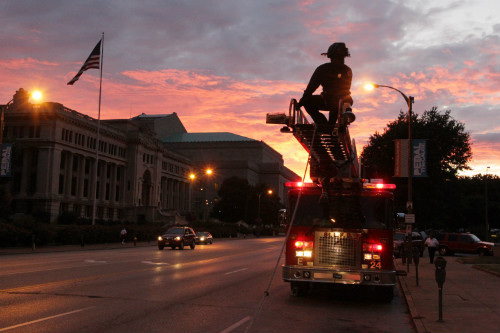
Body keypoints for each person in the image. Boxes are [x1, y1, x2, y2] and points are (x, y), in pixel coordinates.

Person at [298, 42, 353, 126]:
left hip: (343, 100)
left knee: (339, 103)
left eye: (341, 58)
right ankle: (322, 123)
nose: (339, 60)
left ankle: (330, 126)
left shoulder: (346, 70)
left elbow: (344, 89)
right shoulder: (323, 69)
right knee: (307, 101)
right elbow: (311, 88)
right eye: (338, 58)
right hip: (327, 99)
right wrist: (303, 101)